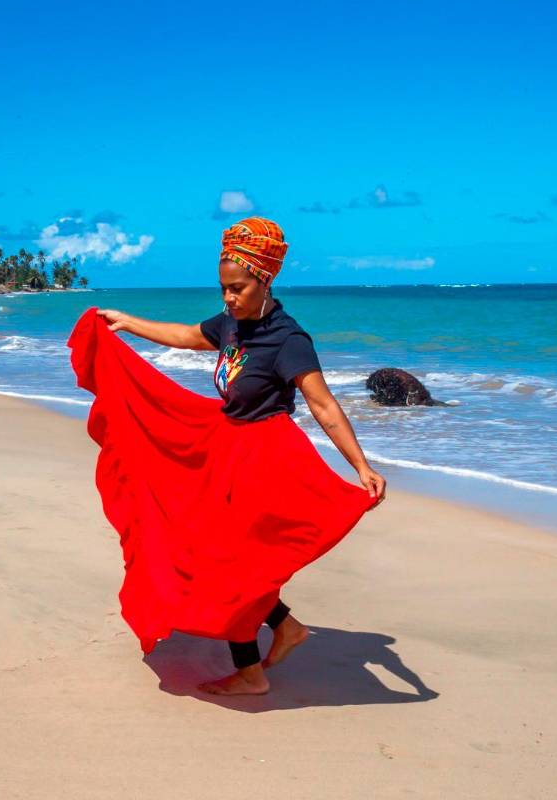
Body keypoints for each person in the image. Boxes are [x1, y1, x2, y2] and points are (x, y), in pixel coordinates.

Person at [74, 216, 386, 696]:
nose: (228, 298)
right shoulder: (232, 324)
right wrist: (128, 323)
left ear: (266, 280)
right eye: (223, 288)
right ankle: (285, 628)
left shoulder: (289, 339)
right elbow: (186, 335)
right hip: (227, 446)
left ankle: (251, 672)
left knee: (229, 564)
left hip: (265, 458)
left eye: (238, 289)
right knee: (215, 554)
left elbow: (322, 404)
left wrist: (360, 466)